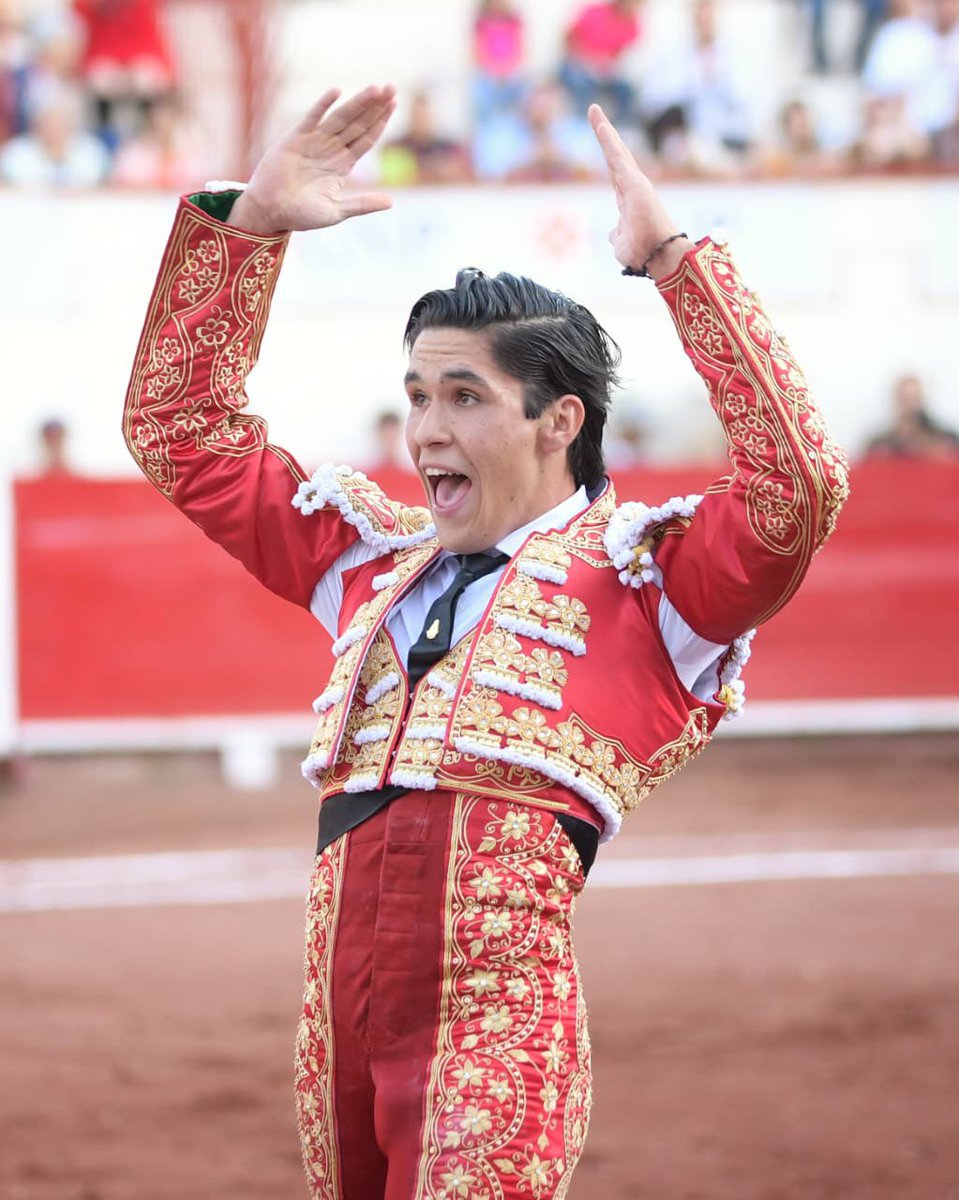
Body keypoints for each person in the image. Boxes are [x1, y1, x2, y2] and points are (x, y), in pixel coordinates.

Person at [123, 83, 849, 1199]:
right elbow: (181, 429)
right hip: (337, 1016)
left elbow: (797, 487)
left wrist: (674, 264)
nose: (424, 431)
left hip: (496, 1020)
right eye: (417, 394)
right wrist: (251, 230)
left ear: (559, 420)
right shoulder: (369, 560)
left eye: (463, 397)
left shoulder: (651, 582)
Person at [865, 372, 959, 457]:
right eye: (905, 399)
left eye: (913, 399)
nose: (910, 406)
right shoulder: (880, 445)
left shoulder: (945, 440)